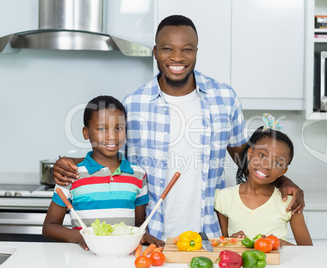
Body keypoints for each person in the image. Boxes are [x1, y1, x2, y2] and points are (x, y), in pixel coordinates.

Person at [52, 15, 305, 240]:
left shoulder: (225, 98)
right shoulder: (134, 103)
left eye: (187, 49)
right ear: (155, 51)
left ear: (196, 51)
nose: (177, 57)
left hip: (210, 234)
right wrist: (68, 164)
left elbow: (244, 157)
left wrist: (284, 181)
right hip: (151, 235)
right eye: (167, 49)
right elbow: (112, 157)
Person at [42, 95, 164, 250]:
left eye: (118, 128)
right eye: (101, 128)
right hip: (84, 258)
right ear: (86, 133)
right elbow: (49, 227)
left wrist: (143, 234)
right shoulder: (72, 174)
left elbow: (139, 225)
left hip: (124, 258)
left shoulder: (138, 174)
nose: (112, 136)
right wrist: (82, 237)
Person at [215, 115, 312, 246]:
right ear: (250, 153)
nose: (266, 165)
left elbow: (308, 251)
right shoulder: (223, 198)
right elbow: (221, 246)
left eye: (278, 163)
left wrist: (279, 244)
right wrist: (232, 241)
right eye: (262, 155)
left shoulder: (289, 203)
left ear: (283, 172)